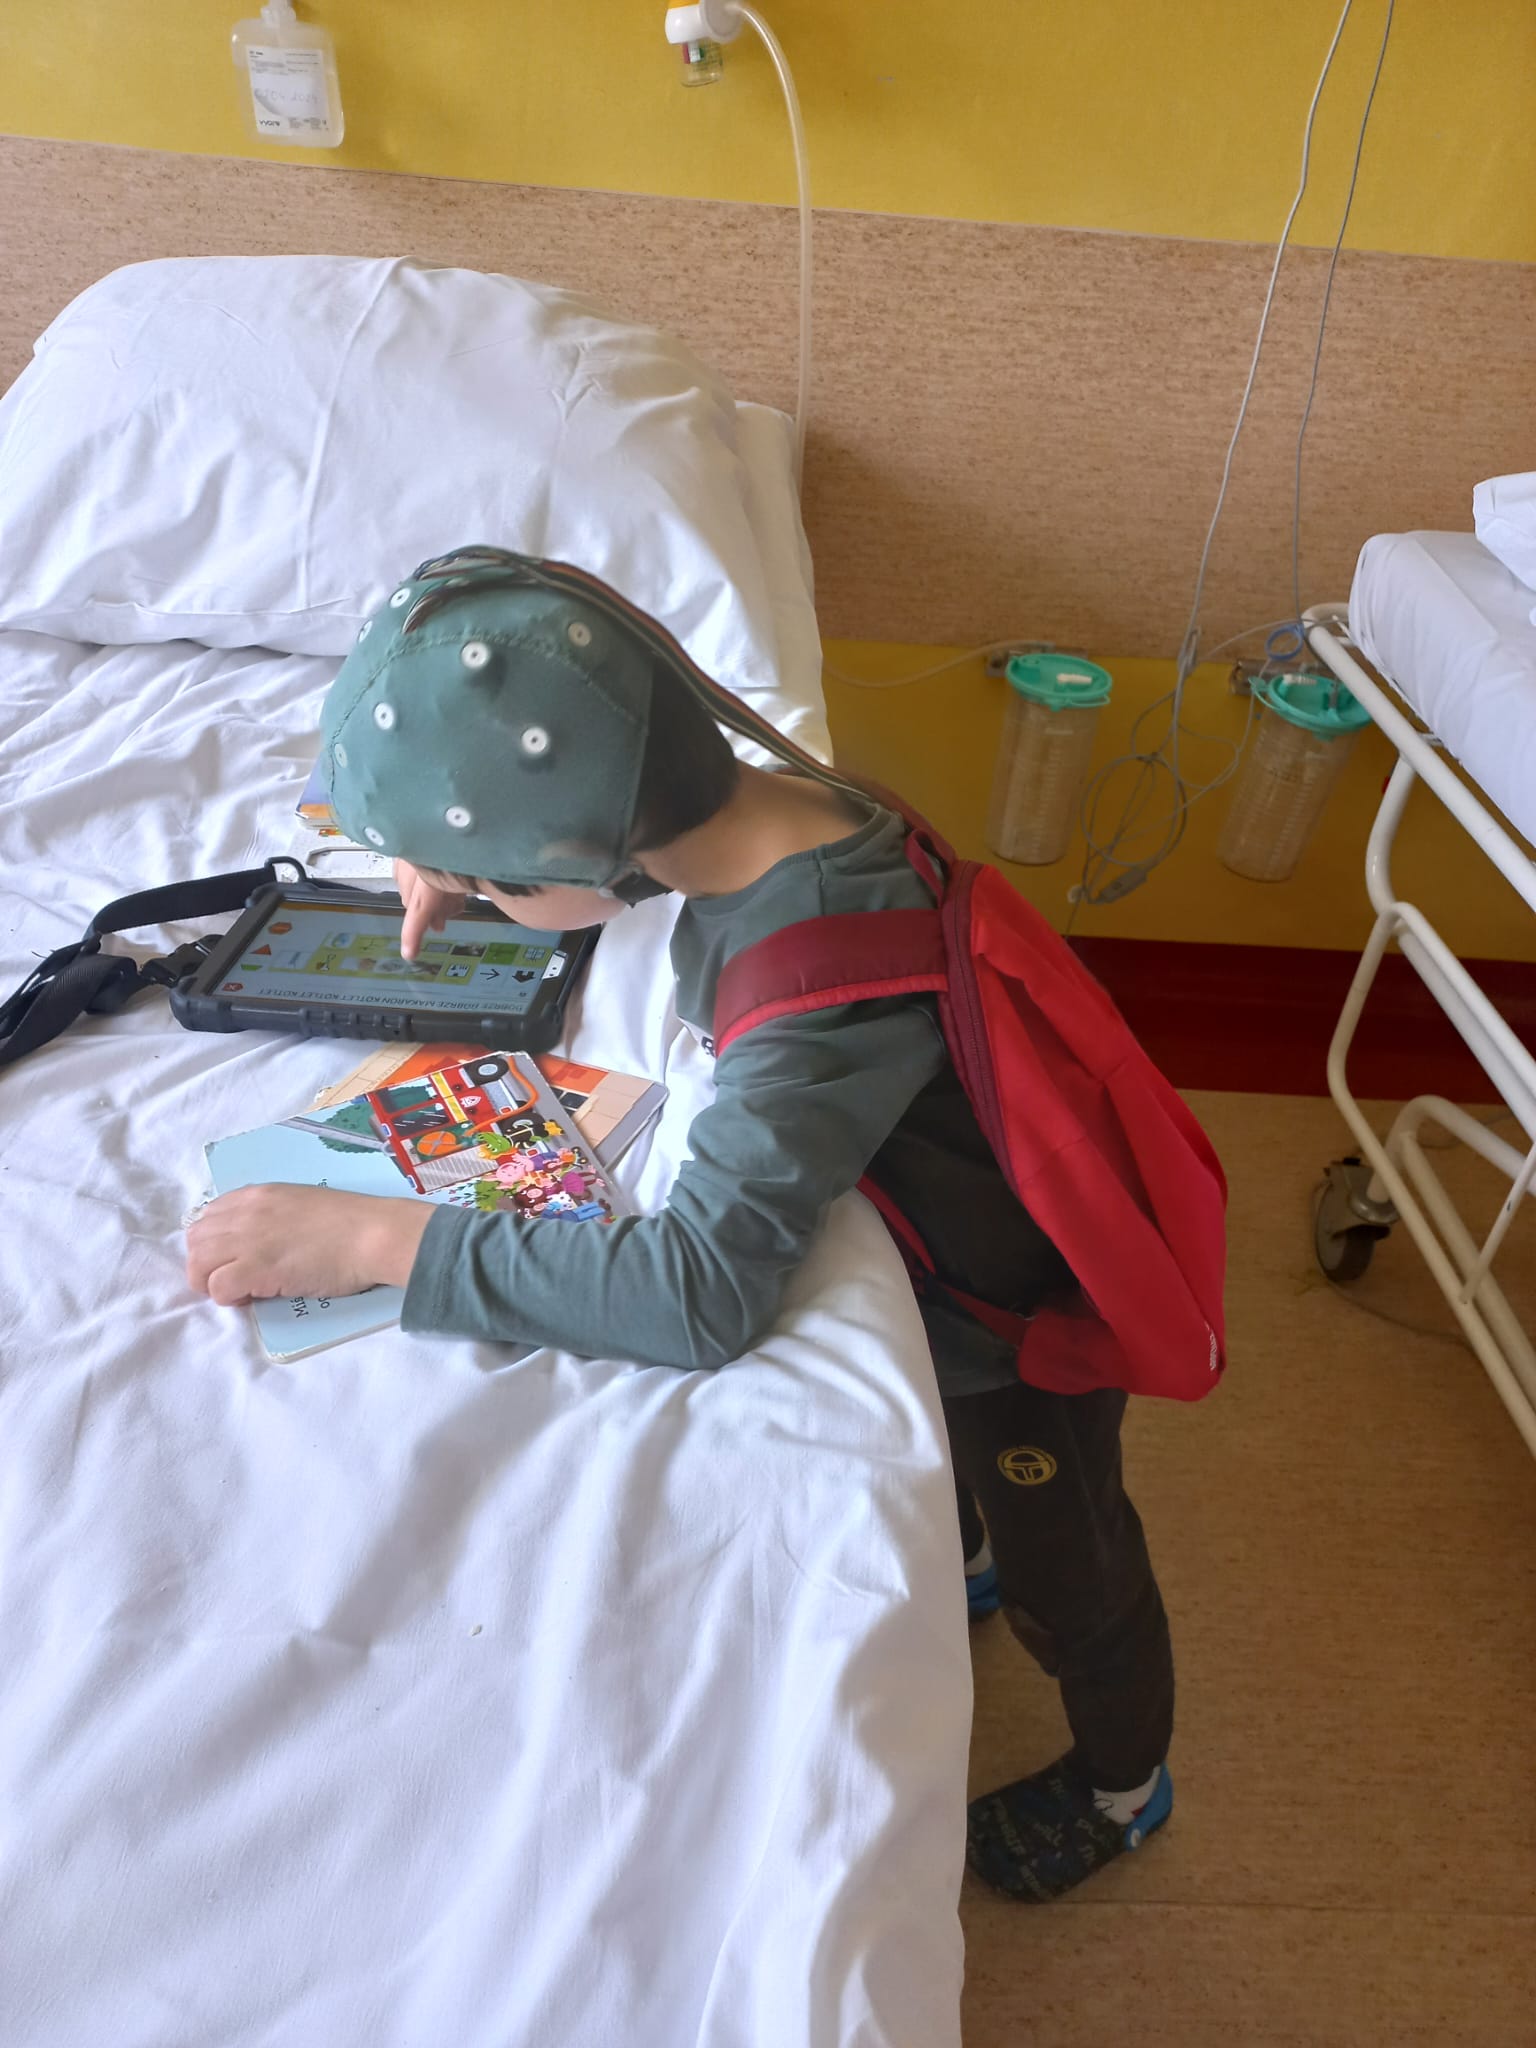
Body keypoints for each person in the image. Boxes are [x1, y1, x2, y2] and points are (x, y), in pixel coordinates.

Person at [186, 548, 1176, 1902]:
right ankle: (966, 1557)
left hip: (1017, 1321)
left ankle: (1123, 1780)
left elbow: (698, 1294)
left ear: (571, 859)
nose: (479, 907)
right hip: (932, 1228)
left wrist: (372, 1242)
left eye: (490, 888)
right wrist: (474, 865)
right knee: (958, 1484)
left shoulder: (822, 981)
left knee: (1078, 1566)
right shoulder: (778, 800)